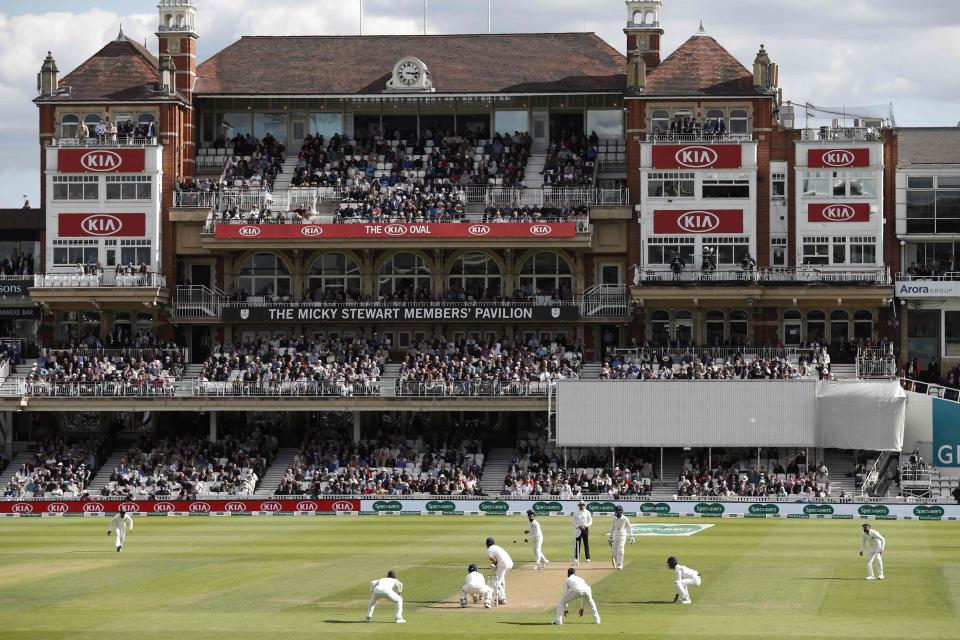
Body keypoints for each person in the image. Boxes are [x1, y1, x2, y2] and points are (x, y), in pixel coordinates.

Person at [485, 537, 513, 605]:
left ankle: (502, 599)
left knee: (495, 583)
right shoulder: (497, 547)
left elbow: (493, 560)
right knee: (501, 581)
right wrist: (496, 565)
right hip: (510, 563)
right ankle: (502, 598)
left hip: (503, 565)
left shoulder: (489, 550)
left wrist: (494, 565)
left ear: (486, 544)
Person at [608, 505, 635, 570]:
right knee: (614, 552)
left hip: (622, 536)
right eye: (616, 512)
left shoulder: (625, 519)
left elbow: (630, 528)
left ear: (621, 512)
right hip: (615, 536)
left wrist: (631, 536)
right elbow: (612, 528)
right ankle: (617, 563)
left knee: (620, 550)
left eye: (618, 512)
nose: (616, 513)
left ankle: (620, 565)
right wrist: (610, 537)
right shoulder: (614, 519)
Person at [572, 500, 593, 564]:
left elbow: (590, 521)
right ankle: (576, 558)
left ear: (584, 505)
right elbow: (573, 521)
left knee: (586, 544)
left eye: (583, 505)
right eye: (581, 505)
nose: (582, 506)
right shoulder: (576, 512)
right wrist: (578, 526)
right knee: (577, 544)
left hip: (585, 529)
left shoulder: (587, 512)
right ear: (579, 506)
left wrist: (585, 526)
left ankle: (588, 558)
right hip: (578, 529)